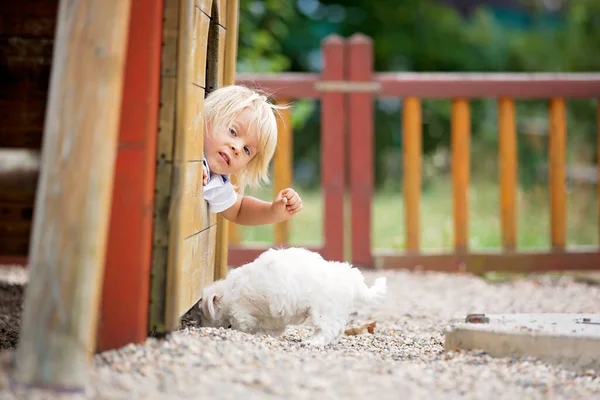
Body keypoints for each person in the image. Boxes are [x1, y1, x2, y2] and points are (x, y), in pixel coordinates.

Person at [200, 85, 303, 225]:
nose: (237, 148)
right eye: (233, 132)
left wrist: (273, 211)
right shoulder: (187, 144)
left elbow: (240, 210)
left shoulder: (217, 183)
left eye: (247, 150)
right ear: (210, 115)